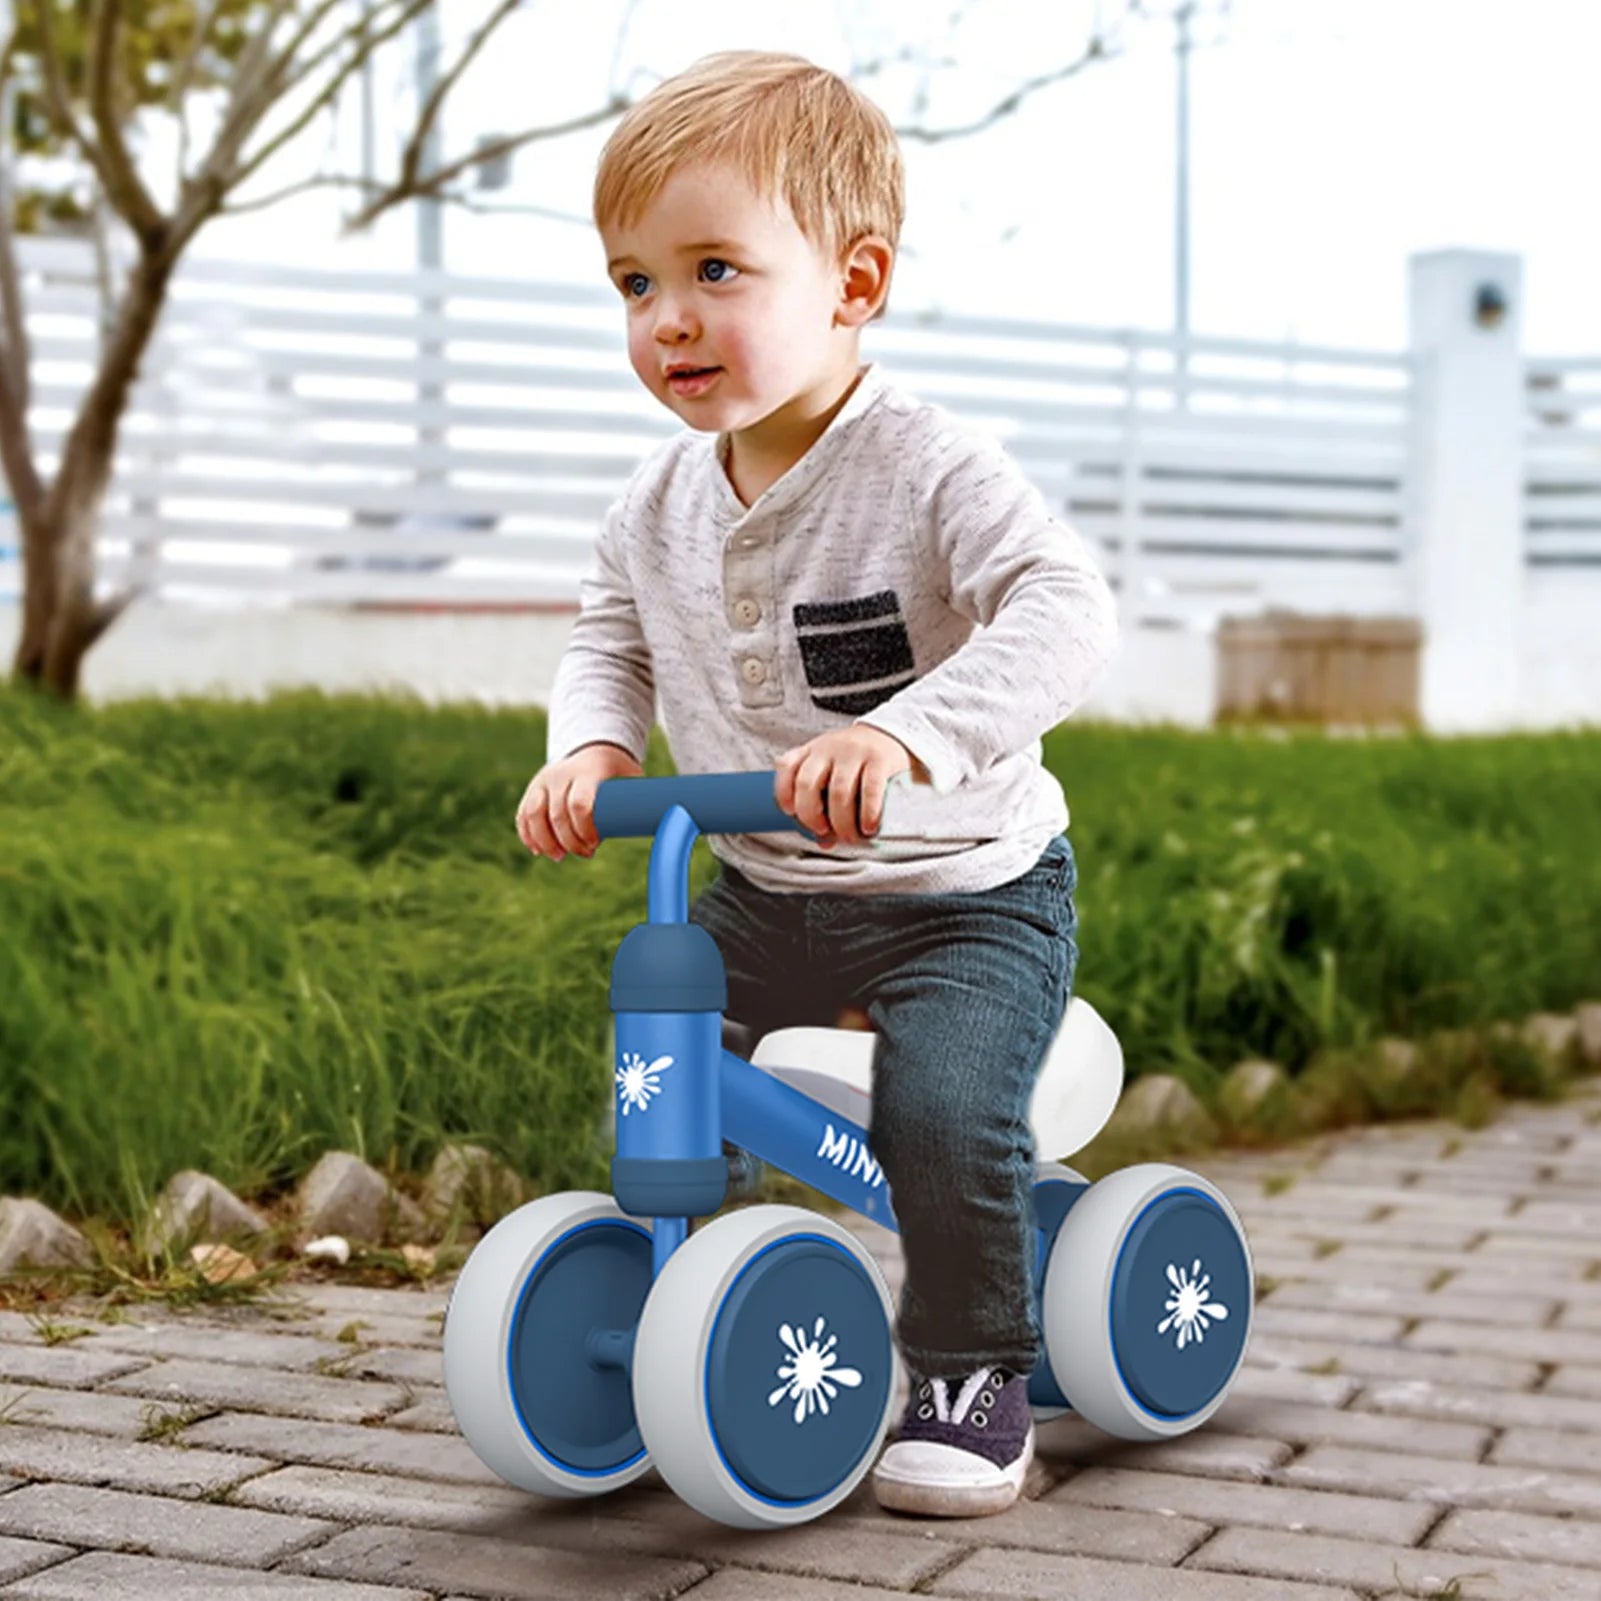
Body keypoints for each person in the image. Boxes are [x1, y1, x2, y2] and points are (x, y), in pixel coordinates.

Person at [515, 49, 1120, 1518]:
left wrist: (907, 735)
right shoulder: (652, 503)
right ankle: (682, 1317)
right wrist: (591, 747)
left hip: (957, 897)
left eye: (713, 269)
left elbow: (1063, 604)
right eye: (632, 283)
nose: (667, 320)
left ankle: (972, 1365)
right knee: (658, 1054)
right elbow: (610, 639)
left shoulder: (922, 467)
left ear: (852, 285)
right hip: (765, 886)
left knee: (939, 1107)